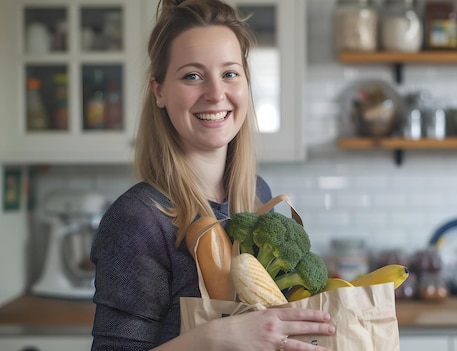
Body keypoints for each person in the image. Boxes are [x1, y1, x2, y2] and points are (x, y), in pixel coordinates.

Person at [89, 0, 336, 350]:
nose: (216, 93)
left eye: (230, 73)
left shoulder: (254, 195)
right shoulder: (139, 221)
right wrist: (218, 337)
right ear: (158, 90)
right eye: (192, 75)